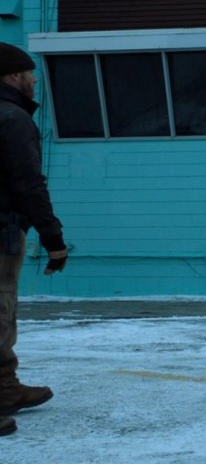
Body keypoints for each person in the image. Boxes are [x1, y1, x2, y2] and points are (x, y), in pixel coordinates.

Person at [0, 42, 69, 437]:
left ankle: (5, 388)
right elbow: (28, 184)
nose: (33, 81)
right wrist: (53, 239)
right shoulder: (11, 118)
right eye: (29, 74)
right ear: (12, 76)